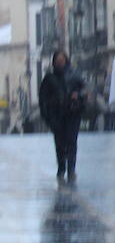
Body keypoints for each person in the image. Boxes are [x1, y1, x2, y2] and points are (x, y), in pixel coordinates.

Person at [38, 51, 86, 184]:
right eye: (57, 61)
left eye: (62, 60)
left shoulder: (75, 75)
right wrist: (46, 115)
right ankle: (61, 168)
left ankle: (71, 169)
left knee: (72, 142)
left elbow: (85, 89)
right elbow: (43, 98)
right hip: (56, 116)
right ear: (54, 62)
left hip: (72, 113)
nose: (60, 63)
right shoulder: (49, 78)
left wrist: (78, 95)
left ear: (66, 60)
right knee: (59, 144)